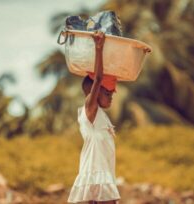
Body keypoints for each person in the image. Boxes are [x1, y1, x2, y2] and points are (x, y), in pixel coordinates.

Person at [67, 31, 121, 204]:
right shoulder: (90, 110)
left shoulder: (101, 117)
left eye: (112, 91)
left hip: (102, 179)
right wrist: (99, 48)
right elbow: (98, 78)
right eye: (107, 92)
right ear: (94, 93)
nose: (112, 94)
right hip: (95, 180)